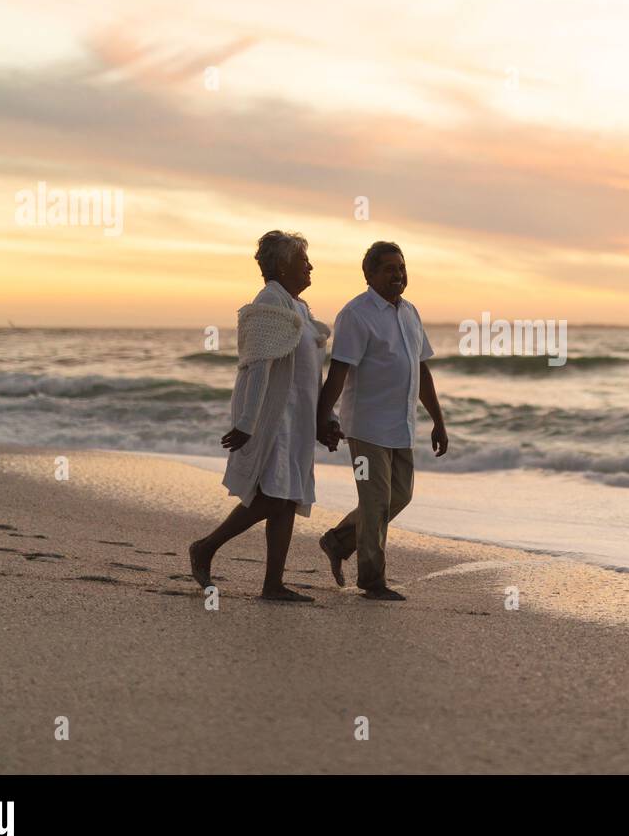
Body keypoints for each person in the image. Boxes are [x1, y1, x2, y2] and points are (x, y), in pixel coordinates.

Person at [189, 230, 340, 602]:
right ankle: (206, 547)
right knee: (274, 496)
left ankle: (273, 583)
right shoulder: (270, 301)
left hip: (297, 420)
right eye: (303, 261)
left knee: (287, 497)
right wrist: (246, 423)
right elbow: (257, 367)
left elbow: (310, 373)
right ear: (283, 265)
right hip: (275, 420)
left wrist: (326, 417)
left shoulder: (299, 308)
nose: (310, 267)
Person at [315, 241, 447, 601]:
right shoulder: (355, 315)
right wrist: (322, 418)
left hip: (401, 426)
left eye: (401, 267)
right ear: (369, 274)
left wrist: (438, 419)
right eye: (389, 268)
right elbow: (339, 372)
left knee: (399, 496)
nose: (398, 274)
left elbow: (420, 368)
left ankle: (338, 541)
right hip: (366, 428)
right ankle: (372, 581)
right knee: (374, 503)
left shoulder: (410, 312)